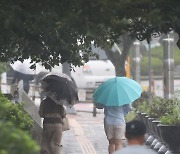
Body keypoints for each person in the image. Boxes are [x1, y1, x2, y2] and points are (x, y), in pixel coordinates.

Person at [39, 81, 66, 154]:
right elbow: (63, 115)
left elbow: (41, 114)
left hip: (47, 124)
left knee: (45, 143)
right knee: (55, 145)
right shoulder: (60, 103)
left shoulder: (44, 102)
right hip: (58, 125)